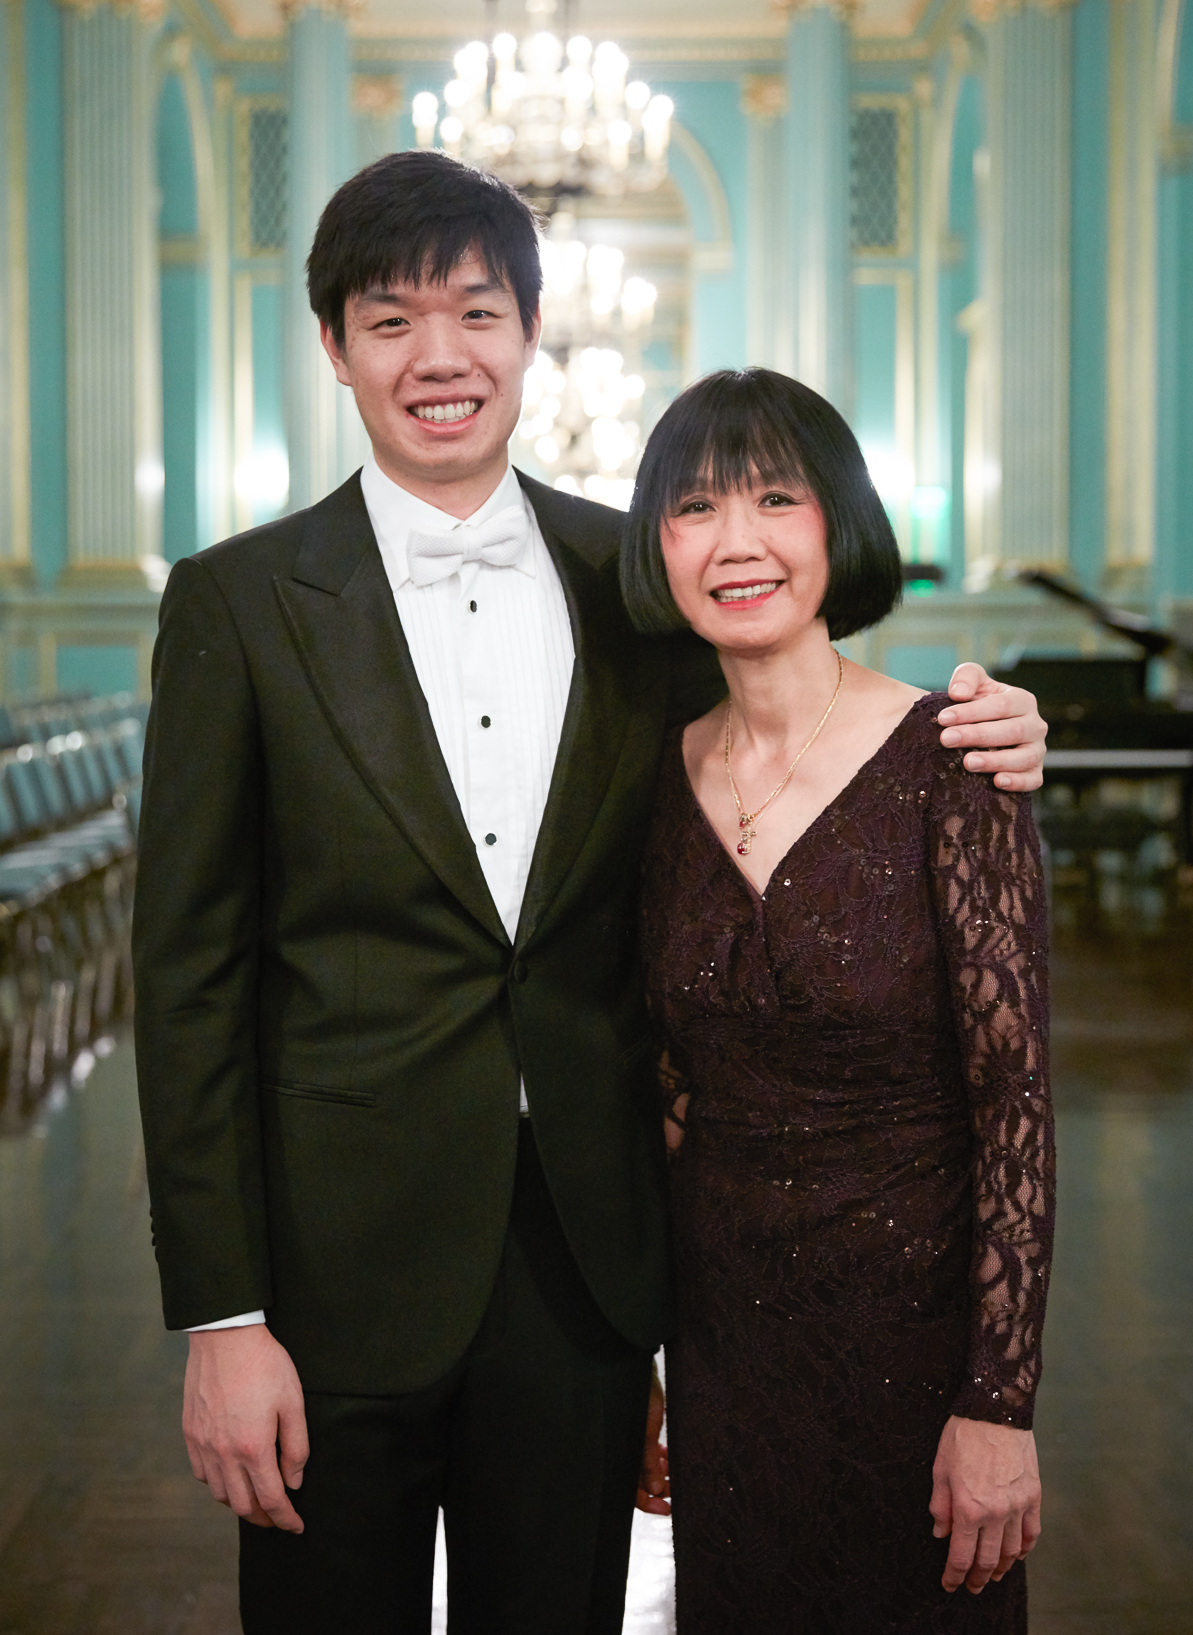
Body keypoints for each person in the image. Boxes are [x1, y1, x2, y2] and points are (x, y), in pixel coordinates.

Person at [132, 154, 1048, 1635]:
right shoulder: (235, 603)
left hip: (589, 1272)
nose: (441, 357)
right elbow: (183, 982)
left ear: (531, 329)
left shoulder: (637, 582)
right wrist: (222, 1318)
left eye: (477, 311)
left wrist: (1003, 726)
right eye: (389, 321)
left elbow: (794, 733)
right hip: (331, 1278)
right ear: (333, 348)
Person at [624, 368, 1054, 1635]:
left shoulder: (952, 764)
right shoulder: (655, 781)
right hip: (724, 1359)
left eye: (776, 498)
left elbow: (1015, 1107)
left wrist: (998, 1407)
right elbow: (664, 1093)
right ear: (657, 543)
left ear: (837, 525)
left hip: (916, 1358)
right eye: (695, 507)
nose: (738, 540)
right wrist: (653, 1368)